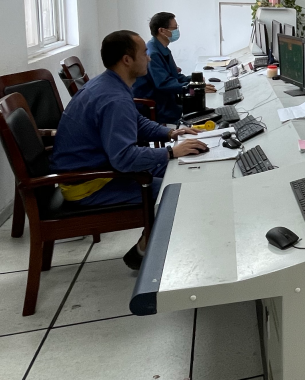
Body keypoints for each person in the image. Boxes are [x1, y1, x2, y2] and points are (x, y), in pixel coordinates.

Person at [52, 30, 209, 270]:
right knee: (177, 190)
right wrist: (170, 153)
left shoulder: (109, 83)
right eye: (144, 53)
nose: (148, 58)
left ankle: (148, 246)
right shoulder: (114, 98)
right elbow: (124, 158)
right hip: (91, 184)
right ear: (127, 60)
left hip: (99, 168)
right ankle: (151, 252)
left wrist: (169, 134)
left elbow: (136, 122)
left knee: (183, 170)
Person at [133, 12, 216, 124]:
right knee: (201, 112)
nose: (177, 31)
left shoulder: (161, 48)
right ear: (162, 31)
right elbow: (164, 83)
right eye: (174, 28)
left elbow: (174, 76)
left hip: (166, 98)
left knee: (204, 109)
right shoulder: (153, 53)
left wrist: (195, 81)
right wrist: (193, 89)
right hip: (157, 104)